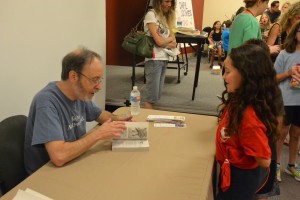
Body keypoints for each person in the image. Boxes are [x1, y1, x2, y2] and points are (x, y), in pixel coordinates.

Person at [24, 47, 133, 175]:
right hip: (45, 175)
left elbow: (101, 115)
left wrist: (121, 120)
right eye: (94, 80)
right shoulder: (46, 102)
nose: (99, 86)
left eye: (100, 79)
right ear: (74, 76)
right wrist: (98, 134)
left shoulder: (79, 93)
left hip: (73, 162)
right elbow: (59, 156)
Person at [216, 43, 283, 200]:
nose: (224, 77)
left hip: (240, 178)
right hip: (232, 171)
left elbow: (264, 160)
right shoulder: (239, 100)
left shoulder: (248, 117)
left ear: (246, 75)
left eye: (227, 71)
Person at [243, 39, 282, 200]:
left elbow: (277, 127)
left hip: (264, 154)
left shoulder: (269, 92)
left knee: (261, 192)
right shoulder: (247, 87)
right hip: (253, 153)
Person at [274, 20, 300, 183]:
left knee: (296, 134)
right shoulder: (284, 53)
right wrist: (288, 73)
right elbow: (273, 78)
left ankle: (291, 164)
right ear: (295, 33)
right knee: (281, 133)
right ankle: (276, 164)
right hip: (286, 100)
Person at [143, 0, 176, 109]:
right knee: (151, 97)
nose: (170, 4)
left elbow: (173, 42)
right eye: (166, 1)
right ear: (158, 2)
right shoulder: (151, 15)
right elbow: (159, 42)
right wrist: (168, 40)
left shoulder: (166, 17)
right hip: (154, 59)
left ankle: (150, 120)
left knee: (156, 95)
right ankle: (147, 123)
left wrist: (165, 41)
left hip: (164, 58)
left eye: (171, 2)